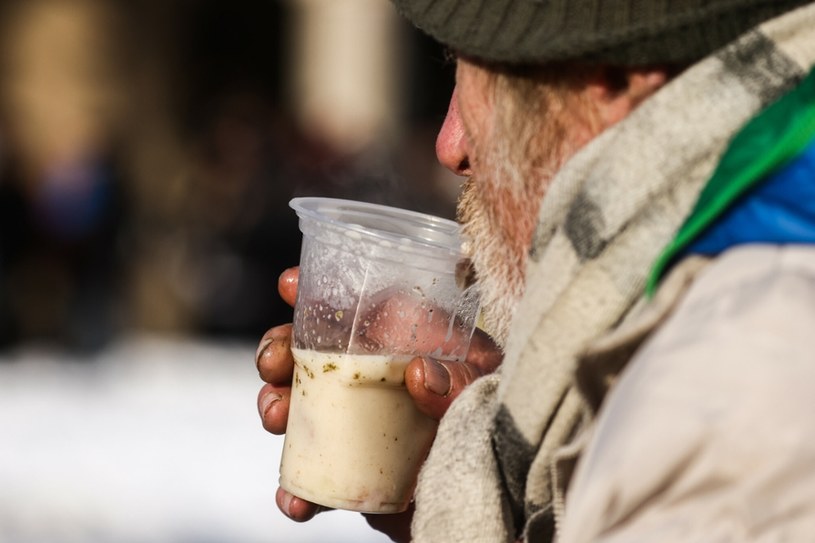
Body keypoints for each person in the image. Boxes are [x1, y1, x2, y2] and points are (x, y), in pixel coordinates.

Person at [256, 1, 815, 541]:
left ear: (611, 73)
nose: (451, 146)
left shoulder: (736, 396)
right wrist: (489, 500)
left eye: (471, 67)